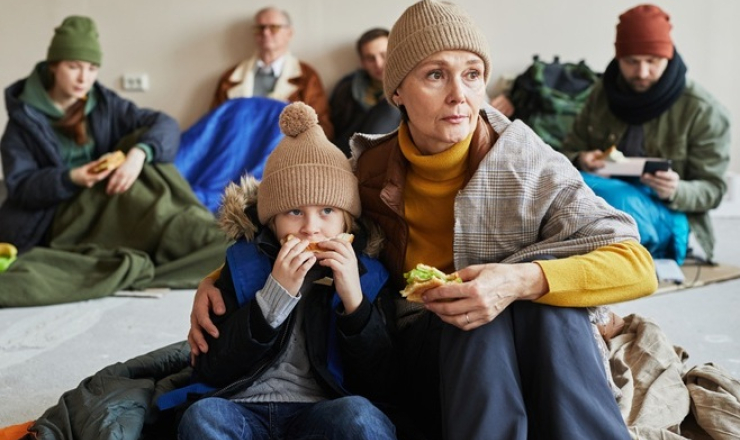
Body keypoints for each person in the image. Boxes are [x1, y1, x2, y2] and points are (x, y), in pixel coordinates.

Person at [189, 1, 658, 439]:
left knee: (550, 310)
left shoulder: (525, 160)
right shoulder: (368, 169)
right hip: (426, 346)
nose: (460, 95)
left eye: (472, 75)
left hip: (526, 325)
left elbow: (636, 264)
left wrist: (521, 280)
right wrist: (217, 279)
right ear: (397, 90)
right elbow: (299, 215)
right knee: (475, 317)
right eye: (436, 75)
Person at [177, 101, 397, 440]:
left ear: (347, 220)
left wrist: (355, 304)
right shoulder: (241, 265)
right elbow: (212, 367)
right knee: (201, 417)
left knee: (363, 418)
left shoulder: (370, 274)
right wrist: (272, 298)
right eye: (294, 211)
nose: (311, 227)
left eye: (327, 210)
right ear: (273, 221)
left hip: (321, 410)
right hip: (243, 407)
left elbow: (380, 381)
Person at [0, 16, 228, 306]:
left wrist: (138, 155)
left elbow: (164, 124)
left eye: (92, 68)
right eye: (74, 66)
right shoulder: (23, 122)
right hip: (60, 215)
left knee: (147, 156)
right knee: (145, 196)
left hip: (109, 195)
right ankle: (195, 235)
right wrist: (72, 178)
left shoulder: (103, 103)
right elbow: (21, 187)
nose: (84, 78)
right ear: (53, 66)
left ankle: (198, 231)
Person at [560, 4, 730, 264]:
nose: (641, 72)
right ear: (618, 59)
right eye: (631, 62)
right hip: (603, 194)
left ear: (668, 57)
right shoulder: (602, 94)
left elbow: (714, 190)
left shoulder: (703, 110)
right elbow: (565, 154)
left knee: (615, 201)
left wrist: (675, 189)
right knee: (559, 188)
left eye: (652, 61)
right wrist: (581, 158)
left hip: (669, 211)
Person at [210, 7, 334, 138]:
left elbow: (322, 128)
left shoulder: (307, 76)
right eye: (260, 28)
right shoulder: (230, 77)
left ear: (289, 33)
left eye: (274, 27)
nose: (266, 33)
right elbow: (213, 125)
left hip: (288, 155)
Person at [329, 28, 401, 156]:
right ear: (362, 63)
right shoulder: (346, 89)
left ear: (396, 53)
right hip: (350, 156)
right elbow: (337, 135)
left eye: (384, 55)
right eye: (370, 58)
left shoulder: (412, 87)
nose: (378, 63)